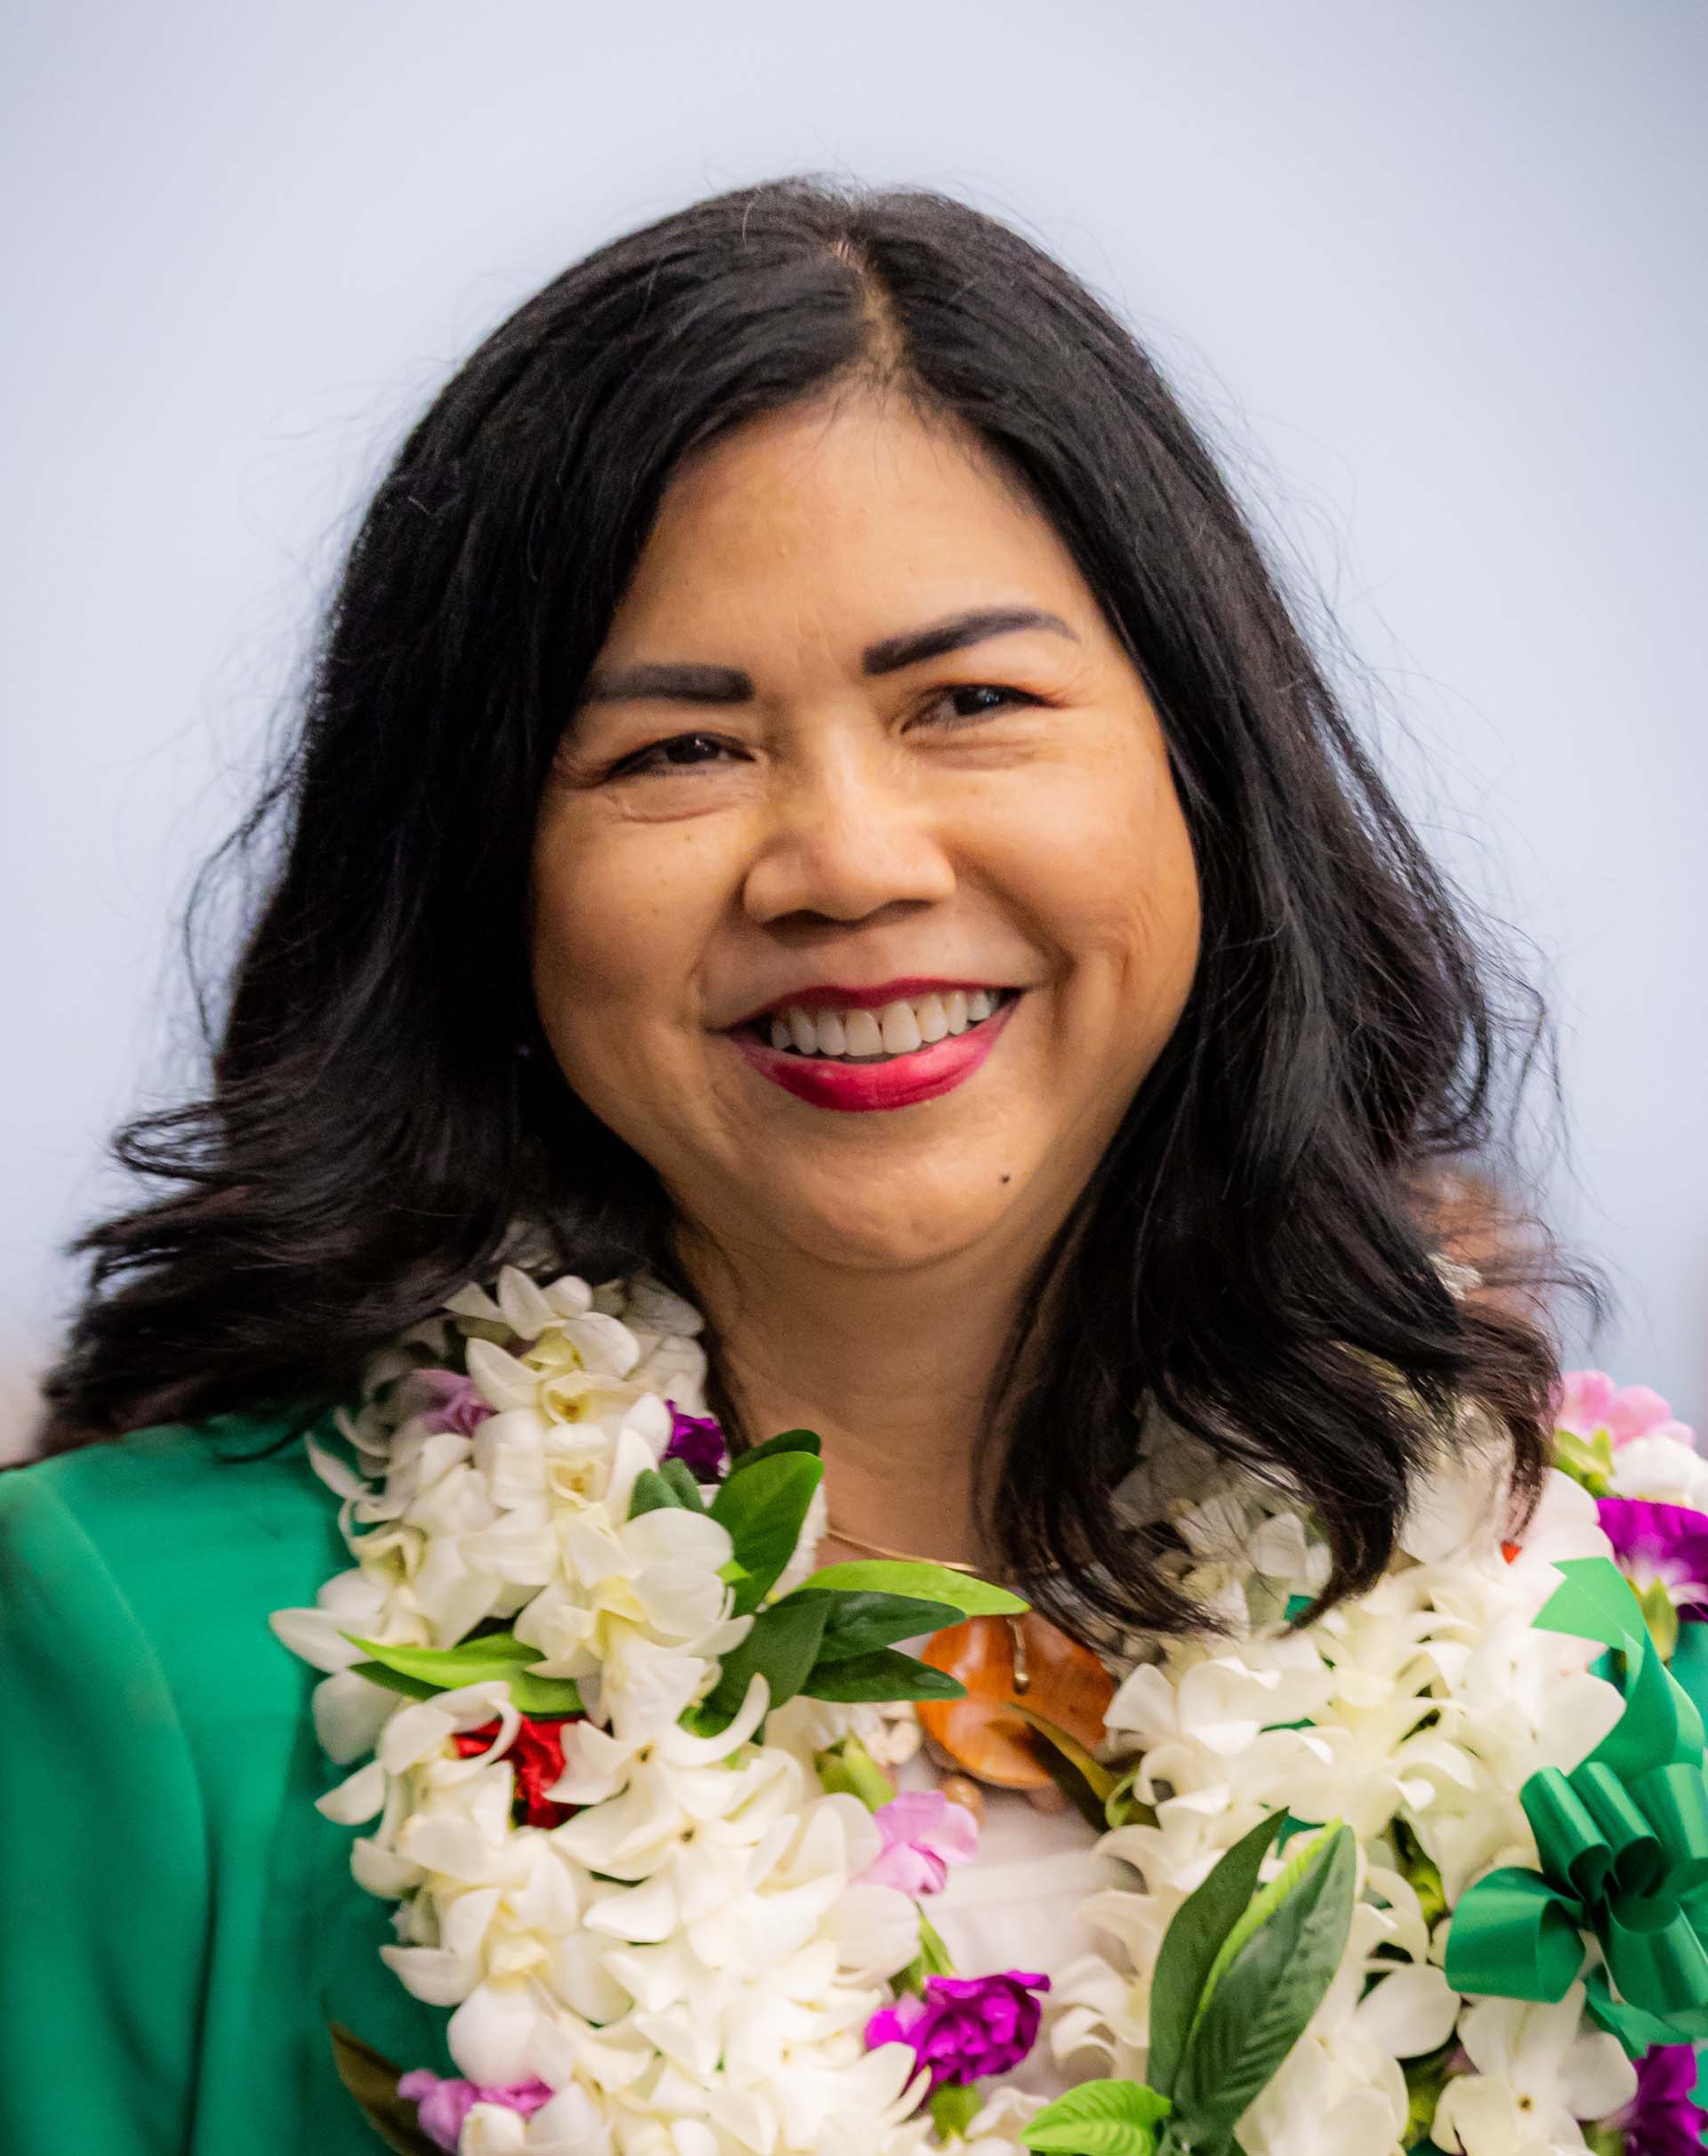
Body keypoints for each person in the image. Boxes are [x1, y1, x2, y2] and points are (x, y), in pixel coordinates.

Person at [0, 174, 1576, 2154]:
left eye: (971, 705)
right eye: (675, 749)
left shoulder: (1590, 1656)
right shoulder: (130, 1661)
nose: (846, 860)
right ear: (481, 871)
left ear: (1205, 778)